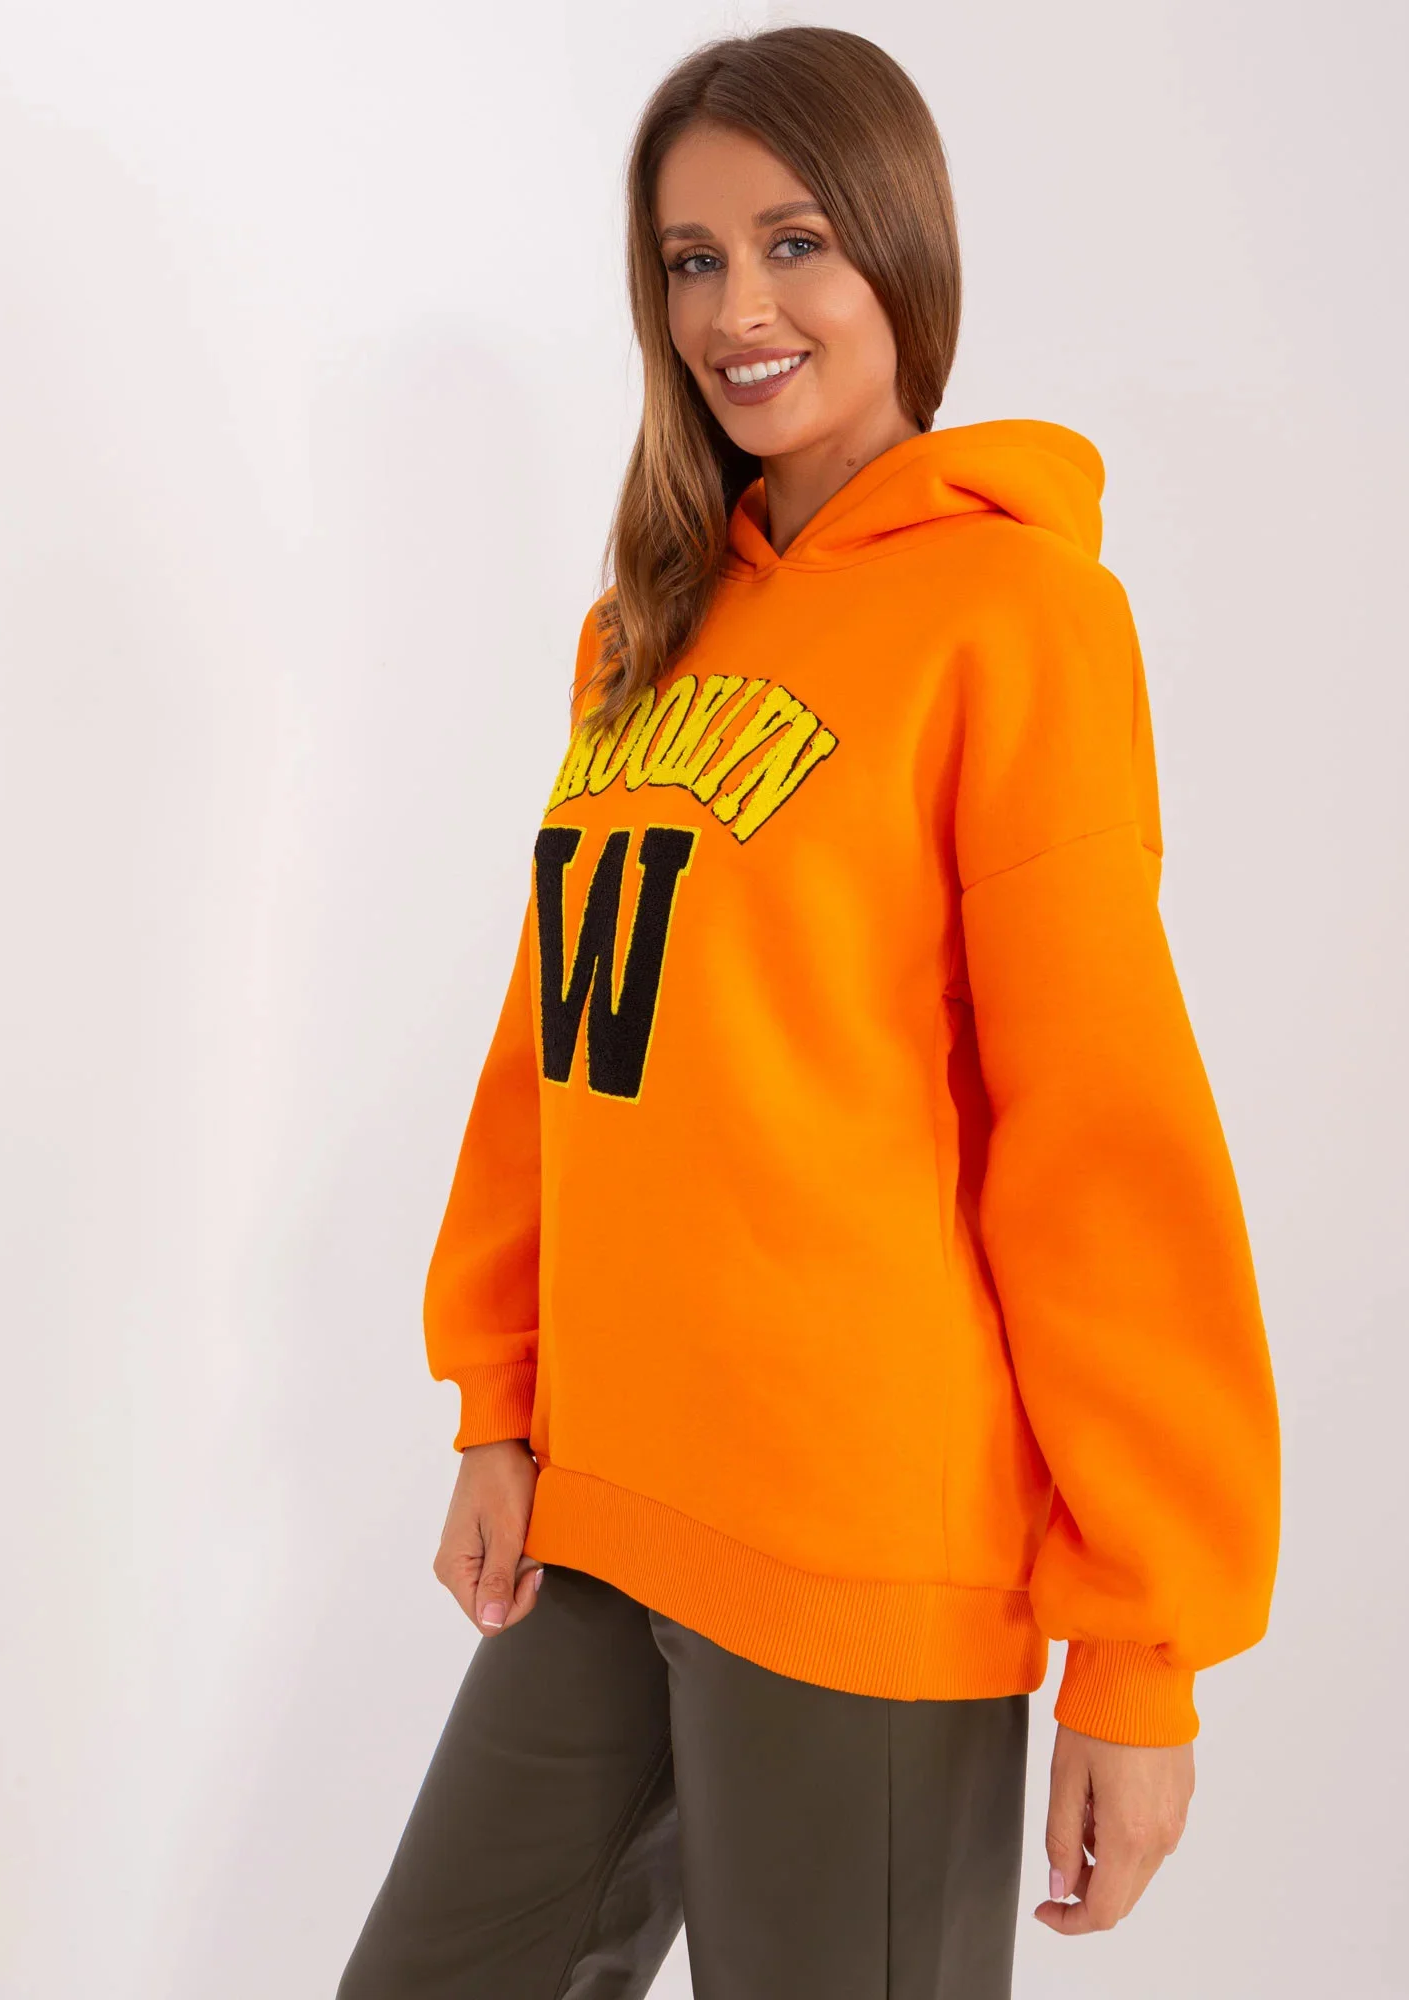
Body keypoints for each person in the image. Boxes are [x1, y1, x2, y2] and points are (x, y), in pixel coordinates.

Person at [336, 24, 1281, 2000]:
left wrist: (1141, 1646)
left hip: (860, 1544)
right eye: (692, 261)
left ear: (900, 253)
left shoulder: (1019, 618)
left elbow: (1101, 1130)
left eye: (793, 245)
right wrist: (499, 1400)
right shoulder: (646, 628)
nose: (738, 312)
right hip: (608, 1502)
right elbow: (558, 1041)